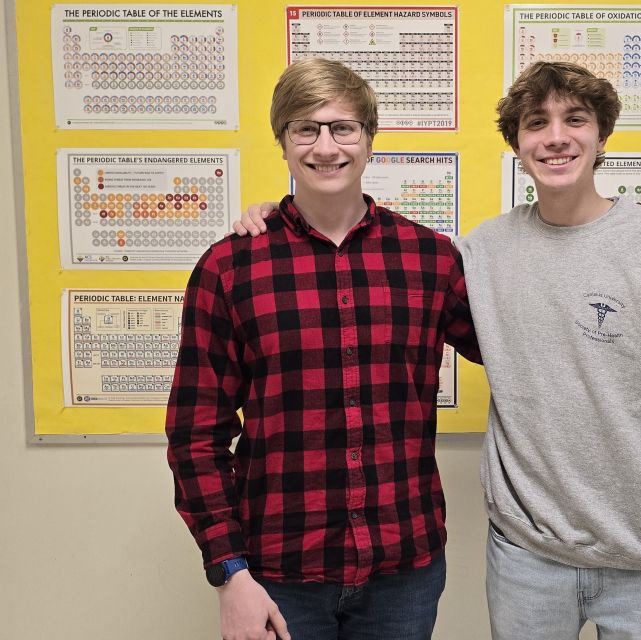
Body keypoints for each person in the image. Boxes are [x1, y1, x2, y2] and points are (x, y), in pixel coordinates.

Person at [234, 60, 641, 640]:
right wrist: (281, 218)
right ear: (517, 144)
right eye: (537, 123)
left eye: (575, 119)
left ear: (603, 133)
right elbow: (347, 255)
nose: (556, 138)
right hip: (526, 557)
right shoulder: (479, 254)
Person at [166, 57, 479, 640]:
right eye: (306, 129)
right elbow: (195, 435)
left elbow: (518, 346)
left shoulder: (430, 259)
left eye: (343, 128)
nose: (326, 146)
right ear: (283, 141)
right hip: (277, 571)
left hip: (403, 568)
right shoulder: (230, 267)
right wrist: (229, 573)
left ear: (369, 138)